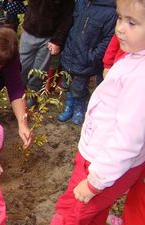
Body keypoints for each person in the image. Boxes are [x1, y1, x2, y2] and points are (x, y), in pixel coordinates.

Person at [50, 0, 145, 224]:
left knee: (70, 213)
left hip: (101, 165)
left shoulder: (140, 78)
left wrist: (95, 182)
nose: (120, 28)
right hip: (103, 158)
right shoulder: (134, 55)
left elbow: (127, 140)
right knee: (93, 213)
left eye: (132, 22)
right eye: (120, 18)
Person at [57, 0, 117, 125]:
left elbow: (108, 39)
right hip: (69, 54)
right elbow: (71, 25)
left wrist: (92, 56)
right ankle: (69, 106)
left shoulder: (110, 11)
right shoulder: (80, 2)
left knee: (79, 87)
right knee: (66, 83)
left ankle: (80, 108)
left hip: (85, 60)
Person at [19, 0, 75, 107]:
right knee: (22, 66)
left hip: (49, 37)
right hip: (29, 31)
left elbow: (67, 18)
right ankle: (18, 94)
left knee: (40, 70)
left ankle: (32, 95)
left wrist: (58, 41)